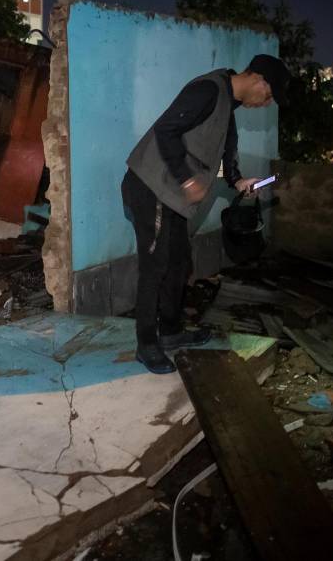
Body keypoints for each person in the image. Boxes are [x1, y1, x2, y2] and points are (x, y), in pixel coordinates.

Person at [122, 54, 289, 374]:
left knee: (180, 263)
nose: (266, 103)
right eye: (269, 95)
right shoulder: (209, 90)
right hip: (150, 187)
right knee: (155, 265)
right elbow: (166, 129)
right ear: (258, 79)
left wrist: (238, 181)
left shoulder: (228, 105)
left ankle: (170, 332)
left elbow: (224, 154)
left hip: (171, 195)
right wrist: (187, 179)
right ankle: (146, 344)